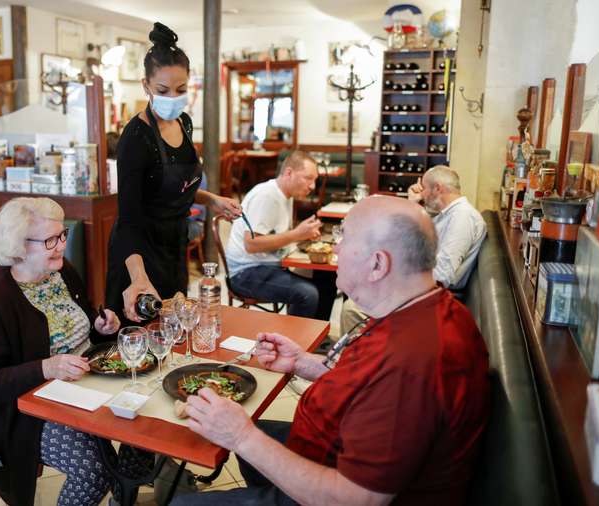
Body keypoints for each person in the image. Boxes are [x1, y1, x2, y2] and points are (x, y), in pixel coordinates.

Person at [172, 196, 490, 506]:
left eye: (343, 238)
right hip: (332, 446)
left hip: (336, 490)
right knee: (250, 436)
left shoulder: (413, 363)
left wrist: (241, 436)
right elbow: (369, 385)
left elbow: (354, 498)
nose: (335, 248)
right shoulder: (423, 308)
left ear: (378, 263)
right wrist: (304, 363)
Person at [0, 198, 145, 506]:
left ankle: (123, 496)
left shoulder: (60, 272)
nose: (60, 246)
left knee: (144, 427)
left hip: (86, 382)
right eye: (50, 240)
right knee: (93, 471)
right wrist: (46, 368)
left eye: (62, 236)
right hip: (29, 411)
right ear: (18, 245)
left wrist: (99, 325)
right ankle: (115, 482)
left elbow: (80, 318)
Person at [106, 22, 240, 324]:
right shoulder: (135, 139)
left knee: (176, 326)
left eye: (181, 90)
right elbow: (129, 219)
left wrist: (211, 200)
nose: (173, 97)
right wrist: (139, 278)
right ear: (145, 86)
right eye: (163, 90)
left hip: (174, 243)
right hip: (138, 251)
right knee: (141, 335)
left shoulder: (185, 123)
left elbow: (176, 188)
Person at [341, 165, 487, 335]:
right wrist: (412, 204)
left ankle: (364, 360)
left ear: (437, 188)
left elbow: (444, 275)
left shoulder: (463, 217)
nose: (422, 195)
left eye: (423, 189)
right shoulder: (446, 214)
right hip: (422, 292)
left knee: (352, 309)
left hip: (429, 299)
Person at [224, 150, 337, 320]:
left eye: (315, 180)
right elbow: (251, 244)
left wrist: (303, 235)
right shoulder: (267, 196)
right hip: (245, 272)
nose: (313, 186)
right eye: (308, 178)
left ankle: (317, 337)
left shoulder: (286, 195)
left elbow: (277, 235)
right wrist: (296, 234)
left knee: (327, 276)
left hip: (268, 264)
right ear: (289, 173)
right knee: (307, 294)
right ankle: (294, 341)